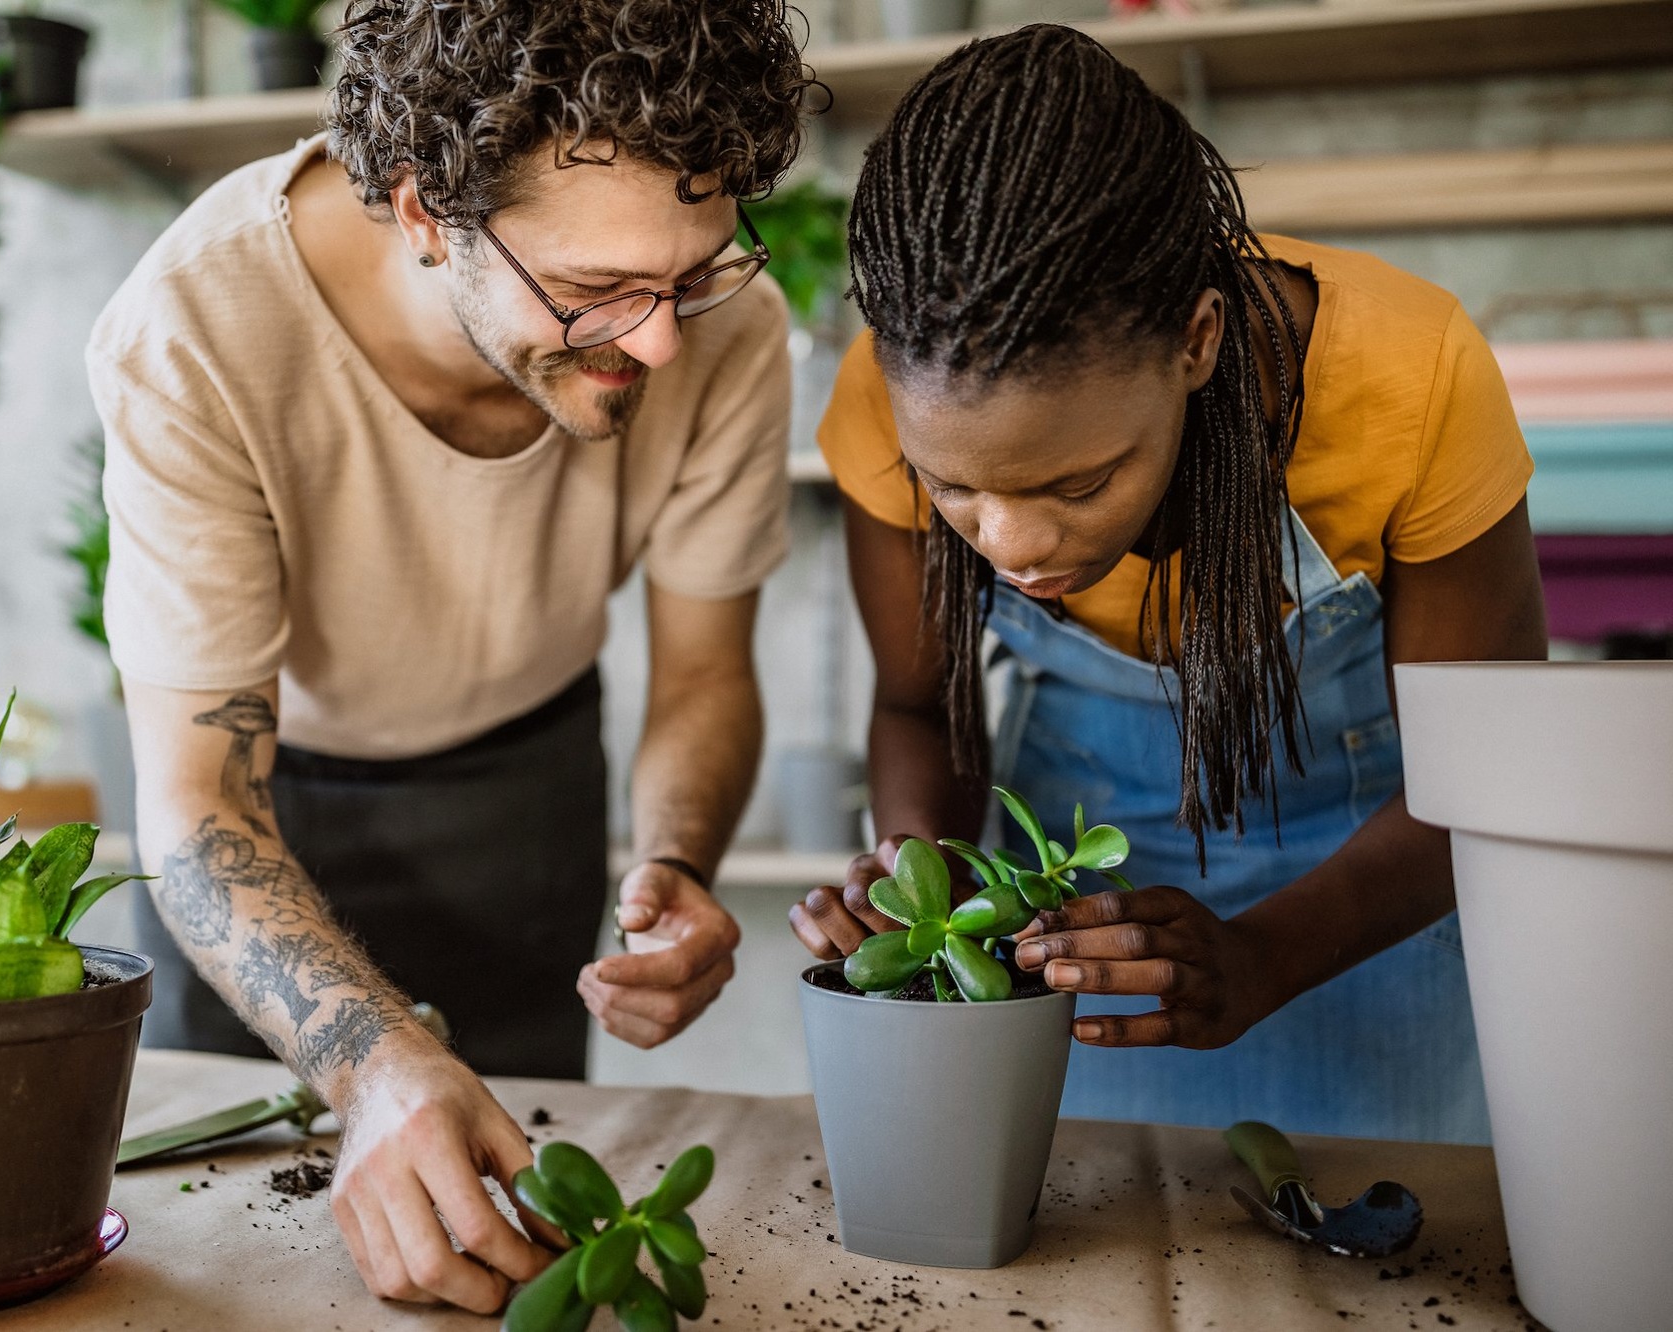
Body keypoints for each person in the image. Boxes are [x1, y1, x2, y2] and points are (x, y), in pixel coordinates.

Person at [87, 0, 816, 1311]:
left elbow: (705, 674)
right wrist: (371, 1063)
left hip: (529, 778)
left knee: (507, 1243)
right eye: (597, 291)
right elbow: (197, 805)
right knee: (237, 1256)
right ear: (426, 214)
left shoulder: (726, 334)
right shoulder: (194, 330)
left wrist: (672, 868)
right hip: (265, 824)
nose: (658, 341)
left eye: (693, 272)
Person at [790, 26, 1546, 1145]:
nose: (1010, 542)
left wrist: (1264, 957)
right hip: (1074, 907)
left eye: (1081, 480)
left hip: (1380, 881)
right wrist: (930, 889)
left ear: (1195, 340)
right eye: (954, 488)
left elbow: (1484, 782)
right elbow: (917, 706)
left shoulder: (1411, 375)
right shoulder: (892, 387)